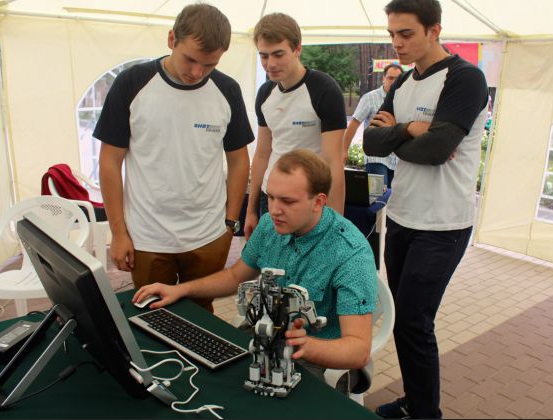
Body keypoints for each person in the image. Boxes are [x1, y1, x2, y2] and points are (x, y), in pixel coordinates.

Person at [133, 149, 377, 387]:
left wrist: (303, 345)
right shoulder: (270, 226)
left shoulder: (350, 253)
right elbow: (234, 276)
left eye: (287, 201)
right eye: (270, 197)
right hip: (267, 341)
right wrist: (180, 290)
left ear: (319, 202)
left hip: (316, 356)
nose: (274, 210)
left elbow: (358, 350)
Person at [362, 0, 488, 418]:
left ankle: (425, 413)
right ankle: (415, 402)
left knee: (415, 322)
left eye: (406, 34)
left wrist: (403, 137)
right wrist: (412, 129)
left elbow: (436, 151)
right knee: (402, 318)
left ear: (434, 30)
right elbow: (371, 143)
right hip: (401, 216)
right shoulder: (403, 82)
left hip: (443, 224)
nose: (396, 43)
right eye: (392, 34)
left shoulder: (464, 79)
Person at [93, 4, 254, 313]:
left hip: (208, 234)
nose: (196, 72)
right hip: (147, 236)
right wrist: (118, 231)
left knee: (201, 315)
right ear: (171, 39)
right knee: (152, 314)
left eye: (209, 64)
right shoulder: (131, 83)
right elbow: (110, 161)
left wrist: (229, 224)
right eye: (190, 59)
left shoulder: (227, 90)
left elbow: (238, 160)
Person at [244, 13, 347, 240]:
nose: (270, 64)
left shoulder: (324, 89)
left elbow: (333, 162)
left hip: (307, 200)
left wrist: (336, 226)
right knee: (271, 261)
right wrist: (250, 210)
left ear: (297, 49)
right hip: (270, 197)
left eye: (278, 54)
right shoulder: (265, 93)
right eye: (264, 56)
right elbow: (262, 154)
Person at [343, 64, 404, 189]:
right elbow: (354, 124)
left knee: (393, 197)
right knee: (378, 195)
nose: (393, 82)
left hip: (397, 159)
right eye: (390, 78)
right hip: (376, 157)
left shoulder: (405, 100)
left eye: (397, 79)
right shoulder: (370, 98)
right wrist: (344, 150)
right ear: (383, 78)